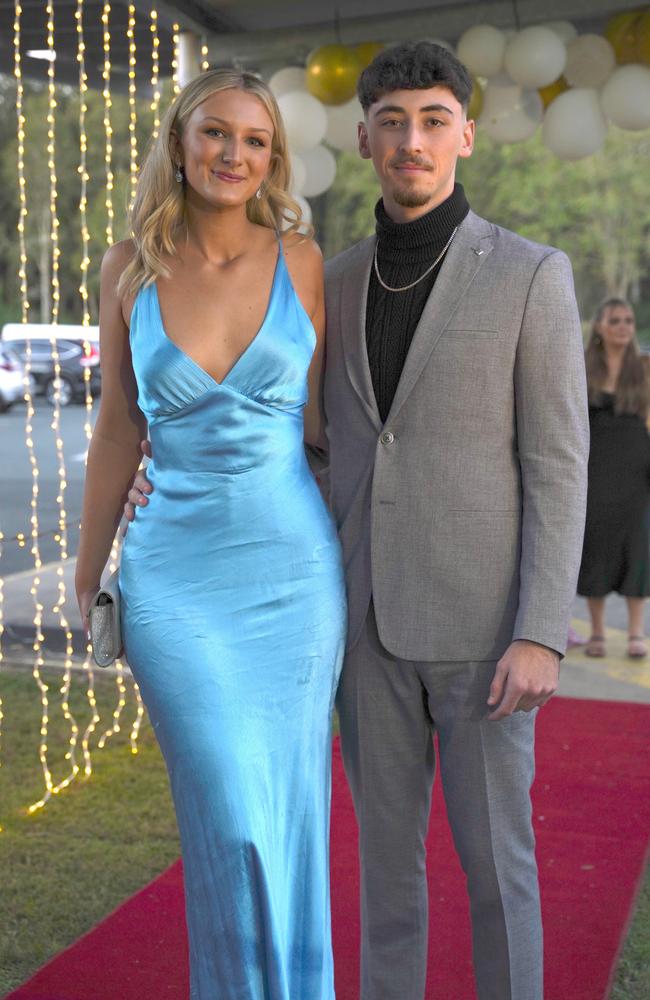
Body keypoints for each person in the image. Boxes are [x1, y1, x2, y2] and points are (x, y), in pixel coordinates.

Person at [127, 44, 589, 1000]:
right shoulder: (322, 276)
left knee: (499, 875)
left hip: (484, 635)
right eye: (391, 121)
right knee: (386, 878)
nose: (410, 141)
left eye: (431, 120)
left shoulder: (532, 275)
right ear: (366, 136)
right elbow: (293, 438)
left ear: (465, 131)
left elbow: (557, 464)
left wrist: (542, 631)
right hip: (354, 623)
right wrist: (158, 473)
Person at [75, 69, 346, 1000]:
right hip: (173, 584)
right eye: (216, 134)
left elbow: (323, 428)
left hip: (295, 577)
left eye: (255, 140)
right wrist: (87, 573)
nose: (234, 154)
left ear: (273, 158)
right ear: (180, 143)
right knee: (227, 812)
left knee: (290, 811)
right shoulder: (128, 267)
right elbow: (116, 425)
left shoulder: (303, 261)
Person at [577, 298, 650, 659]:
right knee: (597, 545)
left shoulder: (644, 368)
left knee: (637, 546)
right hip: (595, 468)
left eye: (629, 320)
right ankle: (597, 632)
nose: (624, 327)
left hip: (637, 468)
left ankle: (637, 631)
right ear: (601, 328)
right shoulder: (582, 366)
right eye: (616, 321)